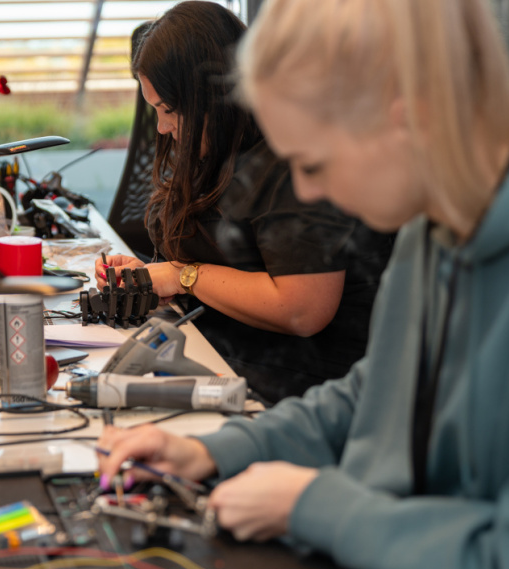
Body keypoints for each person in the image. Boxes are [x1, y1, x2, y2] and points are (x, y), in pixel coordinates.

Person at [98, 0, 509, 569]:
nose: (308, 194)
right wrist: (216, 450)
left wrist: (314, 506)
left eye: (313, 164)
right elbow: (378, 392)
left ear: (404, 119)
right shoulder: (440, 220)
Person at [95, 1, 394, 403]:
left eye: (169, 110)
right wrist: (152, 276)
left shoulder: (291, 161)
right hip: (230, 356)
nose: (162, 128)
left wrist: (184, 276)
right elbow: (227, 264)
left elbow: (303, 308)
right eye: (155, 111)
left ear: (212, 99)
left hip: (304, 386)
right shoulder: (217, 152)